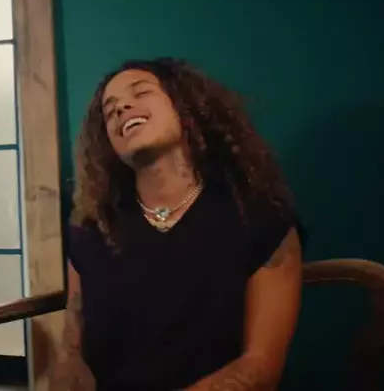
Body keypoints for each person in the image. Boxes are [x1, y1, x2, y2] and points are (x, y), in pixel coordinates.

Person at [50, 58, 303, 391]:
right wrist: (68, 369)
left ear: (185, 108)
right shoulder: (92, 227)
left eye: (141, 92)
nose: (121, 108)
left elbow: (258, 368)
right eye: (109, 111)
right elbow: (72, 347)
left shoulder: (259, 217)